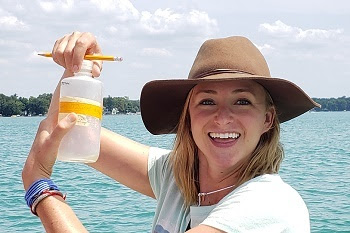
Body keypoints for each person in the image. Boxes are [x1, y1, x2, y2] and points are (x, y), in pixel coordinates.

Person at [22, 32, 320, 233]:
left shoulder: (270, 204)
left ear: (268, 119)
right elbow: (68, 131)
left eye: (242, 101)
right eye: (207, 101)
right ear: (188, 116)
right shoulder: (177, 177)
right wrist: (79, 72)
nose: (223, 117)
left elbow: (57, 143)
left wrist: (40, 188)